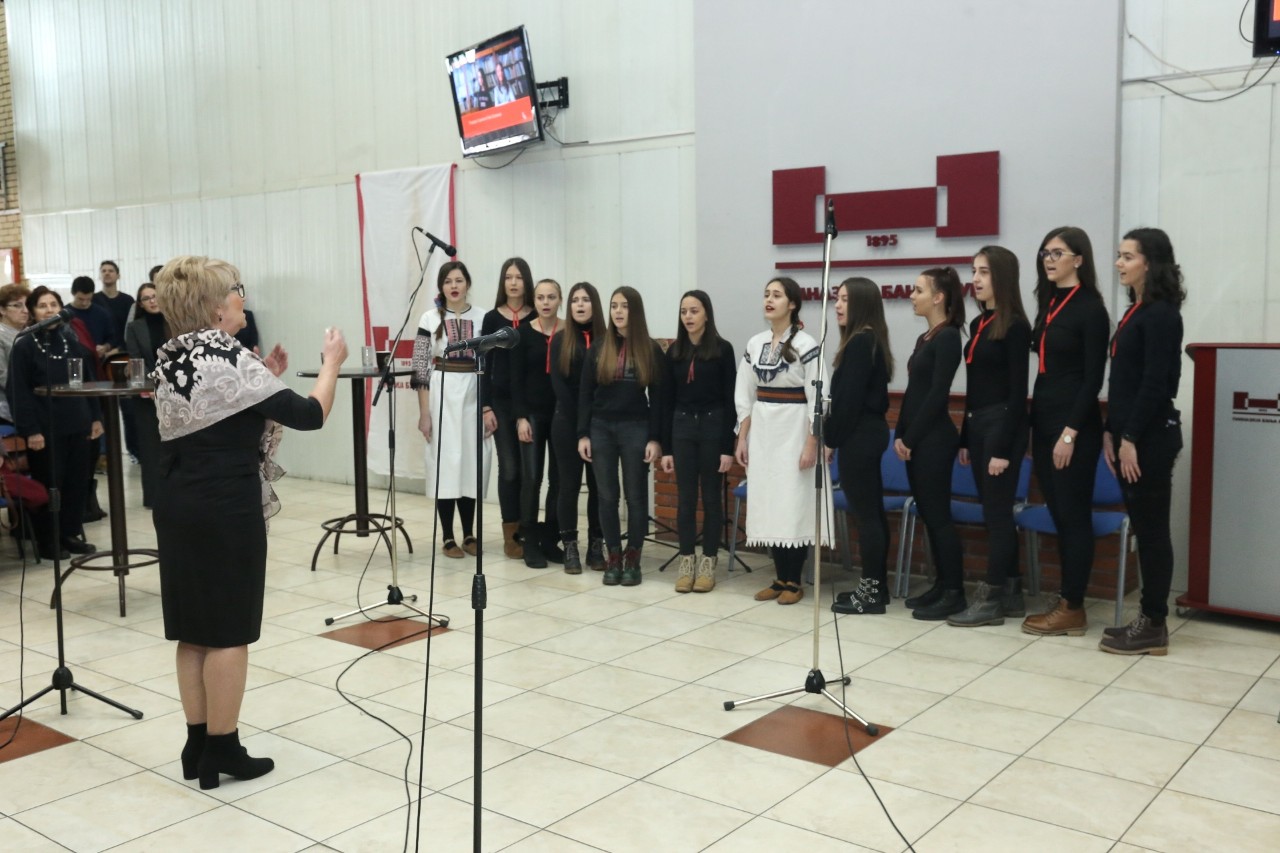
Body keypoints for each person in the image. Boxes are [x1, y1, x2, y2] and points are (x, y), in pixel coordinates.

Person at [151, 255, 344, 790]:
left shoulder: (172, 356)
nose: (244, 297)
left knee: (193, 630)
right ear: (216, 308)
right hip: (223, 506)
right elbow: (309, 415)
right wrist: (330, 363)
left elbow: (218, 414)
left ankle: (197, 745)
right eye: (237, 289)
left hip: (178, 501)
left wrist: (266, 377)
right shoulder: (229, 356)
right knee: (229, 631)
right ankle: (224, 748)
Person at [1099, 228, 1185, 655]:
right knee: (1145, 528)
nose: (1119, 263)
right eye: (1119, 255)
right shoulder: (1136, 311)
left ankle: (1154, 623)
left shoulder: (1162, 314)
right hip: (1130, 434)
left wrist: (1129, 436)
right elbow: (1124, 382)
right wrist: (1111, 431)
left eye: (1128, 257)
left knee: (1151, 532)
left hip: (1149, 438)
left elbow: (1155, 383)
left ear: (1150, 263)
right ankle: (1148, 619)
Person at [1022, 226, 1110, 637]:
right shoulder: (1050, 302)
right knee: (1059, 513)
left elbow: (1093, 379)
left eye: (1058, 253)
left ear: (1079, 259)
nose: (1049, 259)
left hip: (1073, 427)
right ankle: (1067, 599)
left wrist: (1070, 433)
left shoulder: (1090, 308)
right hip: (1044, 422)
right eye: (1045, 253)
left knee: (1073, 516)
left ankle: (1073, 607)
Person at [949, 247, 1032, 627]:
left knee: (997, 515)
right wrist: (966, 437)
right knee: (992, 512)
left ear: (1002, 276)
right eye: (974, 271)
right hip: (979, 423)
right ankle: (1012, 592)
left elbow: (1017, 393)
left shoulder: (1015, 325)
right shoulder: (980, 322)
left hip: (1002, 426)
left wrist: (1001, 447)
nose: (976, 279)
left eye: (984, 272)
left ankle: (992, 597)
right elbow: (975, 386)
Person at [736, 277, 831, 605]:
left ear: (792, 304)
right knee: (769, 501)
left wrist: (811, 443)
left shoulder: (806, 344)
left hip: (794, 430)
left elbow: (818, 397)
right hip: (764, 432)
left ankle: (794, 580)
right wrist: (743, 438)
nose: (769, 299)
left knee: (793, 502)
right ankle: (779, 578)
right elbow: (744, 394)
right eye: (766, 294)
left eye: (777, 295)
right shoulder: (755, 343)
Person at [8, 286, 103, 560]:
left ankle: (69, 534)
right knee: (51, 484)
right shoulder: (24, 345)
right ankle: (48, 539)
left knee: (76, 483)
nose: (49, 310)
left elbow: (88, 382)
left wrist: (95, 417)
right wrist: (31, 430)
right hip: (45, 429)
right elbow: (18, 392)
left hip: (78, 424)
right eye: (42, 306)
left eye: (53, 304)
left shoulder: (70, 341)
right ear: (32, 312)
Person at [577, 286, 664, 586]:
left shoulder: (650, 349)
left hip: (636, 428)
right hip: (600, 427)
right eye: (614, 305)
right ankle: (613, 555)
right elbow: (585, 393)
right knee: (607, 496)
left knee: (636, 496)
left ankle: (633, 558)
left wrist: (655, 438)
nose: (617, 311)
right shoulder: (599, 347)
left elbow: (659, 399)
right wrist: (583, 434)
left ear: (635, 311)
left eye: (624, 306)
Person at [896, 268, 966, 620]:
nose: (912, 296)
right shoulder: (926, 337)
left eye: (919, 290)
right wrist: (900, 432)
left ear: (938, 297)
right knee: (928, 513)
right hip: (918, 439)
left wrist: (911, 436)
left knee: (939, 517)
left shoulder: (949, 336)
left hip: (934, 440)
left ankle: (955, 591)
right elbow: (914, 392)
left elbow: (938, 394)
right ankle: (941, 584)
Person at [413, 260, 495, 558]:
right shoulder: (428, 318)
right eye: (448, 281)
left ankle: (470, 533)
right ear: (441, 287)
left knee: (471, 463)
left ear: (467, 283)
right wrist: (425, 413)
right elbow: (420, 367)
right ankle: (448, 536)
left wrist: (487, 406)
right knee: (445, 464)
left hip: (474, 391)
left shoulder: (483, 317)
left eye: (459, 280)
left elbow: (490, 363)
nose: (454, 286)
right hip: (442, 394)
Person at [660, 290, 736, 593]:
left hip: (713, 425)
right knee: (686, 498)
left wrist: (727, 448)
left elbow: (731, 400)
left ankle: (708, 562)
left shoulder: (722, 349)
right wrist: (666, 448)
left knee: (712, 498)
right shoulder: (673, 352)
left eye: (694, 311)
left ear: (706, 314)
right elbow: (665, 401)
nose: (688, 317)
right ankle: (687, 561)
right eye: (684, 312)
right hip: (682, 426)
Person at [824, 278, 893, 614]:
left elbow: (847, 401)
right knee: (872, 513)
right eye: (837, 299)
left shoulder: (860, 342)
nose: (837, 306)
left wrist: (830, 437)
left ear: (863, 304)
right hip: (868, 433)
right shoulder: (869, 339)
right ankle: (876, 588)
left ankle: (871, 594)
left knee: (866, 516)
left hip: (860, 436)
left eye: (845, 300)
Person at [550, 282, 605, 573]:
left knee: (599, 488)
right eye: (575, 300)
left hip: (600, 424)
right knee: (568, 486)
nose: (580, 305)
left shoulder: (607, 340)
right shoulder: (560, 339)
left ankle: (596, 545)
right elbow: (559, 385)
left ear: (595, 304)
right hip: (566, 422)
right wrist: (579, 423)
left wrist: (592, 422)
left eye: (585, 300)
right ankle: (570, 546)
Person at [509, 279, 565, 568]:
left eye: (551, 297)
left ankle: (550, 540)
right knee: (532, 479)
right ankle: (529, 540)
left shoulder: (568, 331)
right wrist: (520, 417)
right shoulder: (522, 333)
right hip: (531, 414)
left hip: (561, 415)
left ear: (559, 300)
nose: (545, 302)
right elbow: (515, 380)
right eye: (541, 297)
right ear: (535, 300)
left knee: (559, 479)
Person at [481, 257, 534, 559]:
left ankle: (529, 530)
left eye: (519, 277)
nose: (513, 283)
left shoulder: (535, 315)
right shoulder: (492, 319)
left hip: (530, 402)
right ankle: (510, 533)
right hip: (500, 402)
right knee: (510, 468)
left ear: (527, 281)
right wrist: (486, 406)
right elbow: (485, 364)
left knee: (530, 472)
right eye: (508, 277)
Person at [125, 282, 168, 508]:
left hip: (176, 391)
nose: (152, 301)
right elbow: (135, 360)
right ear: (140, 304)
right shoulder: (135, 327)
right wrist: (151, 386)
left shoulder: (175, 322)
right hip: (147, 394)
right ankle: (153, 497)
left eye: (155, 296)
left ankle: (178, 494)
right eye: (146, 298)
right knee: (151, 448)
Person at [0, 282, 32, 424]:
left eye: (27, 305)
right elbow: (3, 375)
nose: (25, 311)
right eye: (17, 305)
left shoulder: (29, 333)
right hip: (7, 409)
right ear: (2, 309)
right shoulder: (1, 335)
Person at [93, 261, 135, 354]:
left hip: (124, 351)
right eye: (103, 271)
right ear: (99, 276)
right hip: (98, 351)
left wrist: (120, 349)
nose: (107, 273)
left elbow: (132, 329)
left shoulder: (128, 300)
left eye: (111, 271)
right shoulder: (93, 300)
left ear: (118, 276)